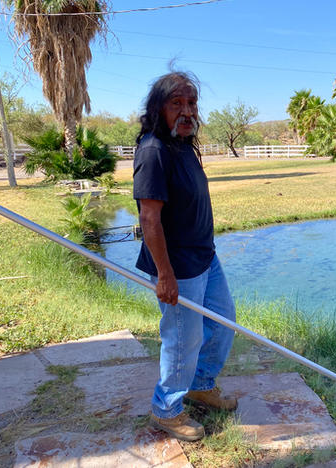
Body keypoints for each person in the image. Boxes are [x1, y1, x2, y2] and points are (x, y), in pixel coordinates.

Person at [133, 71, 237, 442]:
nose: (187, 110)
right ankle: (167, 409)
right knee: (182, 339)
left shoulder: (183, 145)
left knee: (224, 322)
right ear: (158, 107)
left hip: (205, 258)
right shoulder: (154, 150)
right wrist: (165, 275)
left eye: (191, 102)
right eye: (177, 102)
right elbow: (149, 217)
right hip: (177, 267)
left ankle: (201, 384)